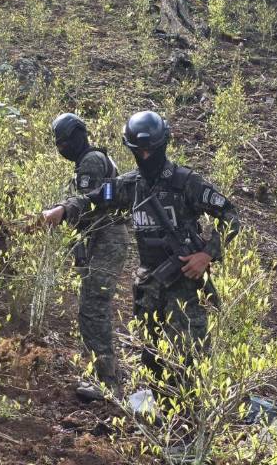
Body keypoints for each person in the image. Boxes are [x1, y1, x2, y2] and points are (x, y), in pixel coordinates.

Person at [42, 111, 239, 404]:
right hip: (149, 284)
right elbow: (94, 198)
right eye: (139, 151)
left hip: (185, 283)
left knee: (188, 359)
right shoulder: (130, 185)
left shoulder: (186, 182)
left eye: (151, 149)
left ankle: (190, 435)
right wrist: (63, 210)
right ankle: (162, 425)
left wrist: (206, 254)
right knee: (151, 356)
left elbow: (231, 215)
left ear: (163, 144)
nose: (146, 155)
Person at [51, 113, 129, 401]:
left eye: (63, 142)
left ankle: (108, 383)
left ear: (76, 137)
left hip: (106, 239)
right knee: (91, 308)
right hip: (101, 240)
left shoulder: (91, 162)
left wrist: (63, 212)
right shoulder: (89, 161)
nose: (60, 148)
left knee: (94, 309)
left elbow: (90, 205)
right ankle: (103, 375)